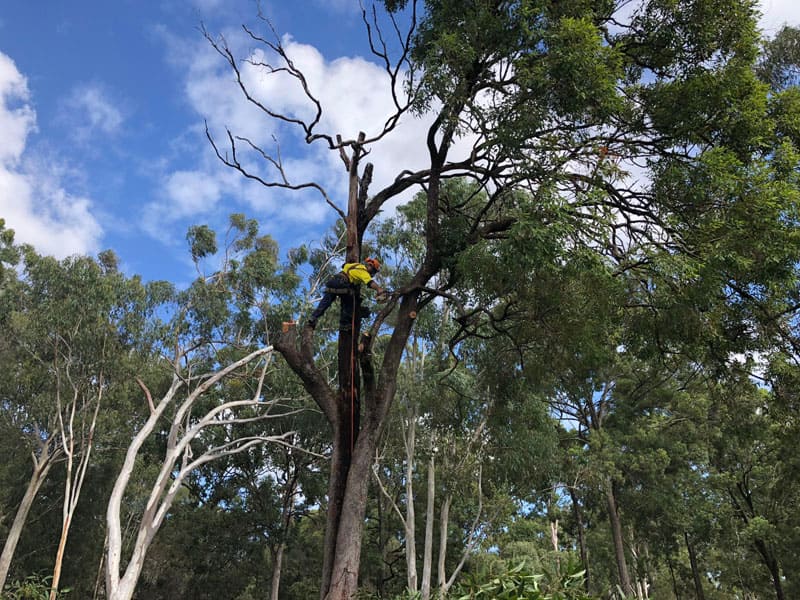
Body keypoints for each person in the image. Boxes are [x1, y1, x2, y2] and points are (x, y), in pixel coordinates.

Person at [306, 257, 388, 330]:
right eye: (373, 271)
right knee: (350, 300)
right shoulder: (363, 272)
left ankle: (313, 317)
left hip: (333, 281)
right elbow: (370, 282)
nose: (372, 273)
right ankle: (344, 323)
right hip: (342, 284)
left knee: (325, 302)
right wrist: (379, 289)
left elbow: (344, 265)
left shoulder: (355, 265)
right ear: (370, 266)